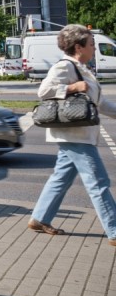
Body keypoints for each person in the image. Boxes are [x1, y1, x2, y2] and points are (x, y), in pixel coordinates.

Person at [28, 24, 116, 246]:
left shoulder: (83, 68)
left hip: (78, 134)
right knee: (98, 182)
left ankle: (40, 218)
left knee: (61, 178)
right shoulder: (65, 67)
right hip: (74, 135)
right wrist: (72, 88)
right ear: (79, 47)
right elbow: (44, 91)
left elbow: (99, 103)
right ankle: (114, 231)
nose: (94, 48)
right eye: (92, 44)